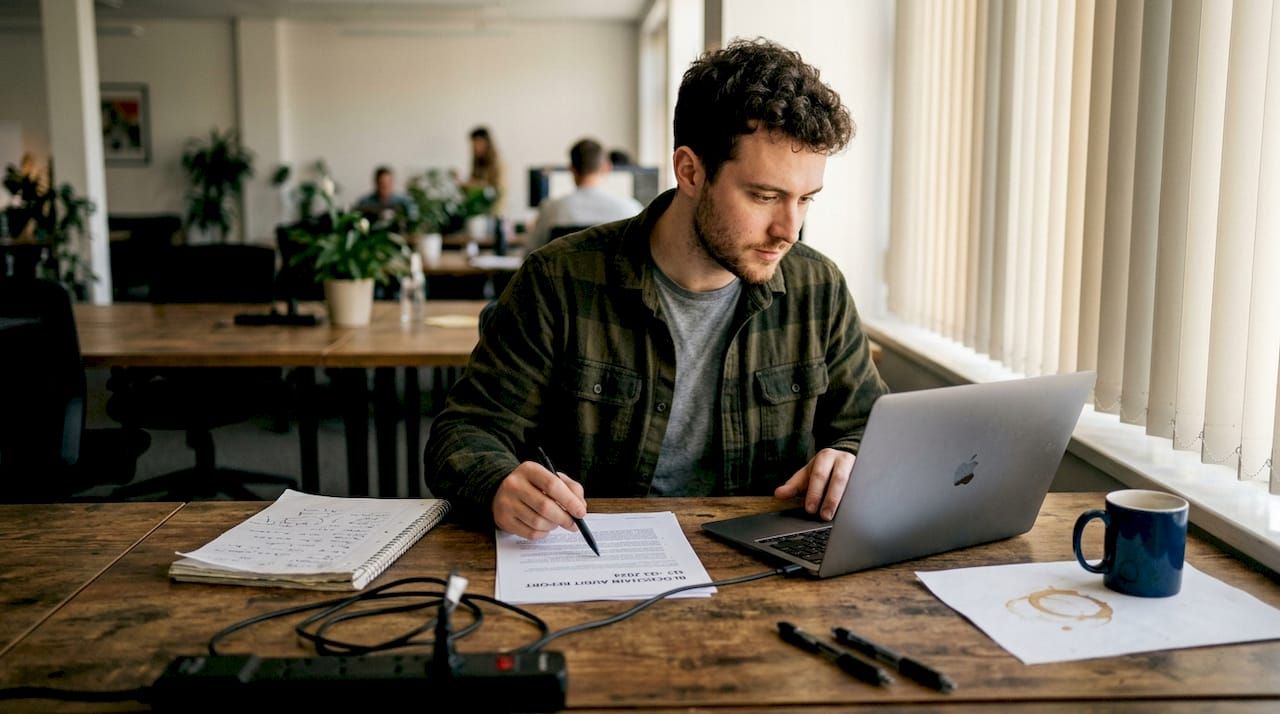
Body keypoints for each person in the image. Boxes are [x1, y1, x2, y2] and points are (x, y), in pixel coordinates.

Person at [426, 38, 888, 541]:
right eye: (764, 196)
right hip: (594, 572)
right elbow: (463, 433)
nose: (789, 230)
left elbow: (868, 428)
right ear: (690, 171)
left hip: (763, 570)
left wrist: (851, 457)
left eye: (805, 200)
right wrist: (498, 482)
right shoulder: (558, 280)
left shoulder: (818, 288)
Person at [527, 138, 644, 250]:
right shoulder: (630, 208)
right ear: (607, 168)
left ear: (571, 169)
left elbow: (531, 254)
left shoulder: (550, 209)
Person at [463, 126, 505, 215]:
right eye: (473, 145)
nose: (474, 148)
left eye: (477, 143)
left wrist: (472, 185)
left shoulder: (497, 164)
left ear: (486, 143)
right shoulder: (477, 163)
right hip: (478, 212)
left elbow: (495, 191)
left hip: (493, 213)